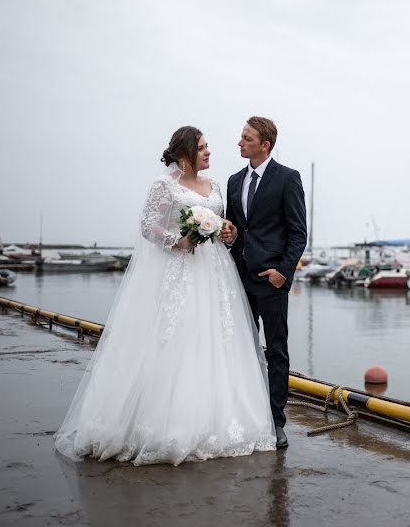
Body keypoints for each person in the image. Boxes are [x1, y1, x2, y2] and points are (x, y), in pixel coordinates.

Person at [54, 126, 276, 465]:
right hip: (177, 271)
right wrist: (177, 239)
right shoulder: (163, 185)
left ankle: (216, 416)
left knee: (216, 340)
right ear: (185, 153)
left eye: (207, 147)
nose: (208, 153)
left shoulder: (215, 185)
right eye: (202, 148)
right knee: (176, 337)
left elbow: (221, 227)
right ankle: (165, 421)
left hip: (214, 271)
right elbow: (148, 225)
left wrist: (226, 230)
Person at [221, 116, 307, 449]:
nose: (239, 143)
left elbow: (298, 233)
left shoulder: (288, 179)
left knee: (277, 351)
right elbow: (236, 228)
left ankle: (275, 421)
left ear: (264, 145)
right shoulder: (233, 180)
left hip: (271, 281)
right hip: (238, 277)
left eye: (246, 138)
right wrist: (229, 234)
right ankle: (242, 413)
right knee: (238, 348)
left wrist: (283, 273)